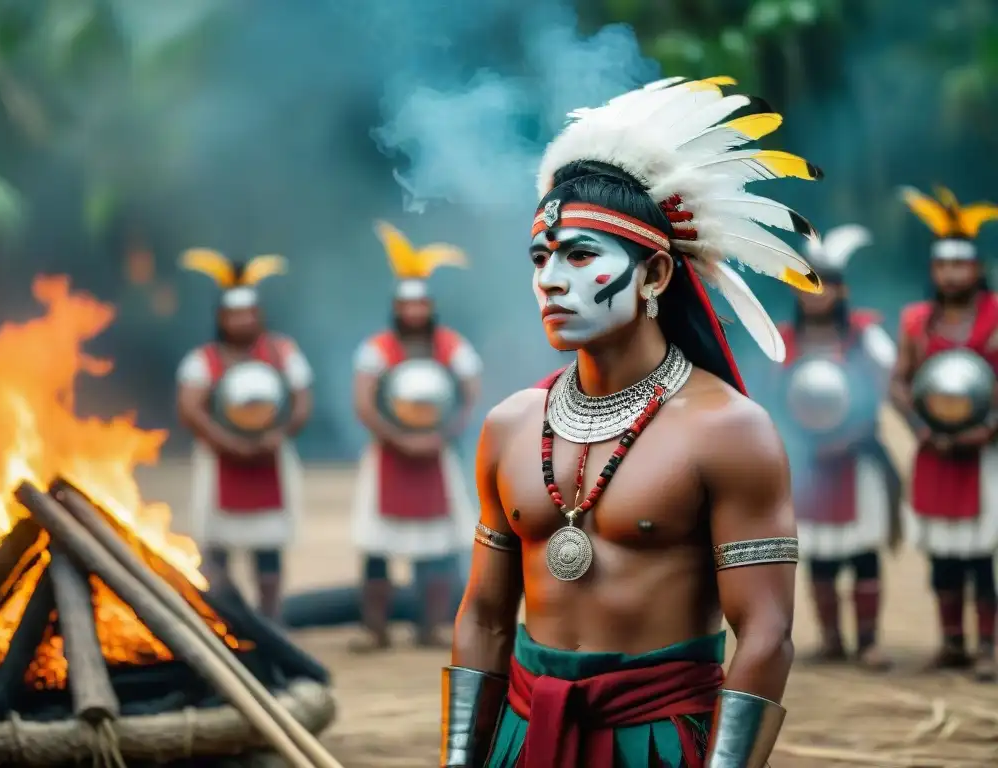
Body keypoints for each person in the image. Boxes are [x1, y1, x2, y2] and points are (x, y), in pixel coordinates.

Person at [442, 75, 821, 768]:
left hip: (656, 746)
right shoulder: (511, 425)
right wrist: (462, 761)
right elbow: (487, 619)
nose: (551, 280)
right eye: (541, 257)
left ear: (652, 275)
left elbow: (766, 633)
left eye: (581, 255)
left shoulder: (729, 432)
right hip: (524, 740)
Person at [350, 221, 481, 652]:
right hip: (388, 455)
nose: (414, 314)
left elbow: (468, 396)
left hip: (436, 454)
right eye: (408, 307)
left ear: (429, 307)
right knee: (377, 548)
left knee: (439, 549)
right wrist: (396, 437)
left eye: (420, 306)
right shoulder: (377, 349)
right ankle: (375, 628)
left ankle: (430, 627)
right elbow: (366, 400)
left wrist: (441, 434)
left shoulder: (452, 346)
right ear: (397, 308)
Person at [775, 225, 900, 670]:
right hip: (810, 464)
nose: (816, 295)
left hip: (856, 457)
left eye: (825, 285)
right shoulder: (783, 340)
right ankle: (831, 639)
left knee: (863, 550)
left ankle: (868, 641)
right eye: (807, 284)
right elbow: (772, 397)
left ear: (842, 290)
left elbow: (886, 386)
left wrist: (851, 434)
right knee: (820, 552)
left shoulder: (865, 337)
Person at [891, 186, 998, 681]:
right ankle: (953, 643)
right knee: (943, 553)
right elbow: (899, 382)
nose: (951, 275)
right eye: (942, 267)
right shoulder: (917, 321)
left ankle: (990, 646)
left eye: (960, 266)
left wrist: (989, 429)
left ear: (976, 267)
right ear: (934, 270)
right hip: (934, 450)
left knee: (985, 554)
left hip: (987, 454)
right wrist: (917, 426)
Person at [176, 249, 313, 620]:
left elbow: (301, 400)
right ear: (221, 317)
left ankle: (271, 620)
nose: (241, 321)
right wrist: (225, 440)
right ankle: (223, 621)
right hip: (219, 460)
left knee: (268, 549)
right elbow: (190, 407)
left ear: (259, 315)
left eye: (248, 313)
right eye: (234, 314)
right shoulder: (203, 359)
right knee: (216, 550)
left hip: (272, 457)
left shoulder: (283, 352)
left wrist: (280, 434)